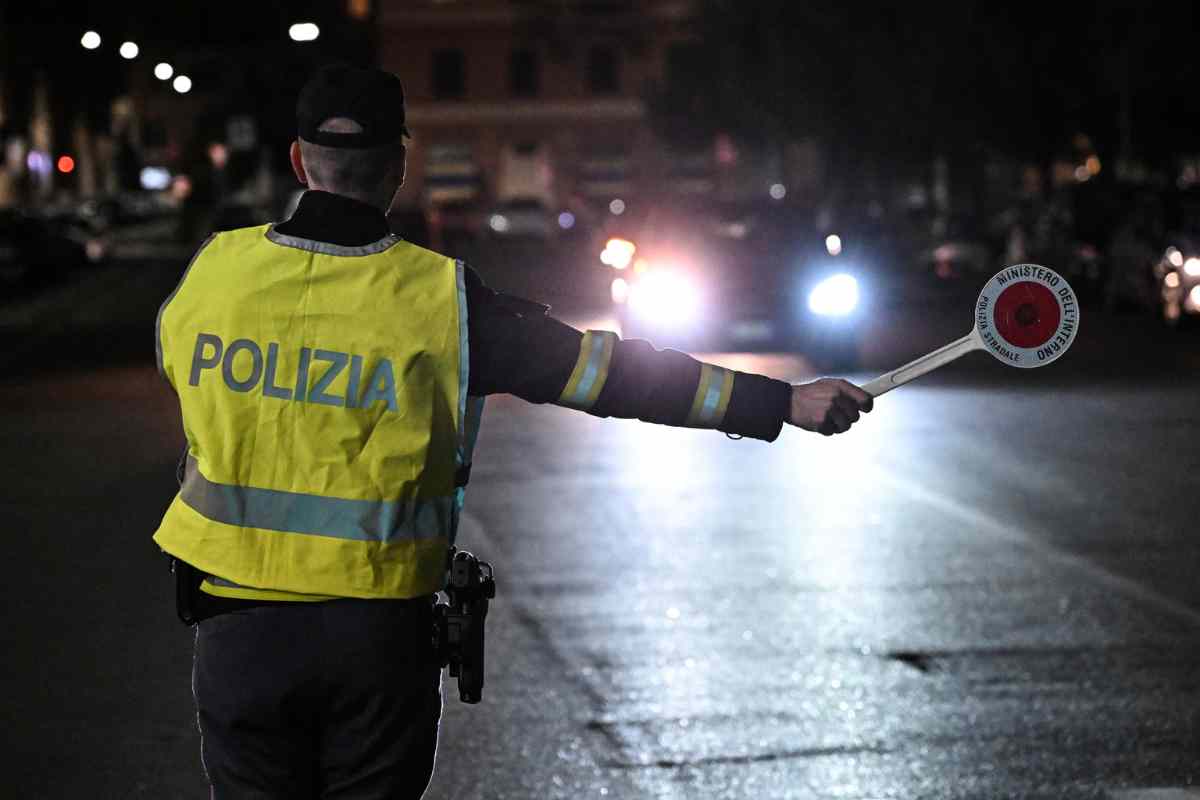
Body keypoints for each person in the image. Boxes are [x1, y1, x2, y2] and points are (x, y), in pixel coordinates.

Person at [152, 64, 873, 800]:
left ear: (300, 160)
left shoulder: (215, 271)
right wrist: (779, 402)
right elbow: (606, 374)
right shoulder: (441, 299)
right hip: (372, 640)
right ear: (400, 164)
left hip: (234, 635)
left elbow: (179, 368)